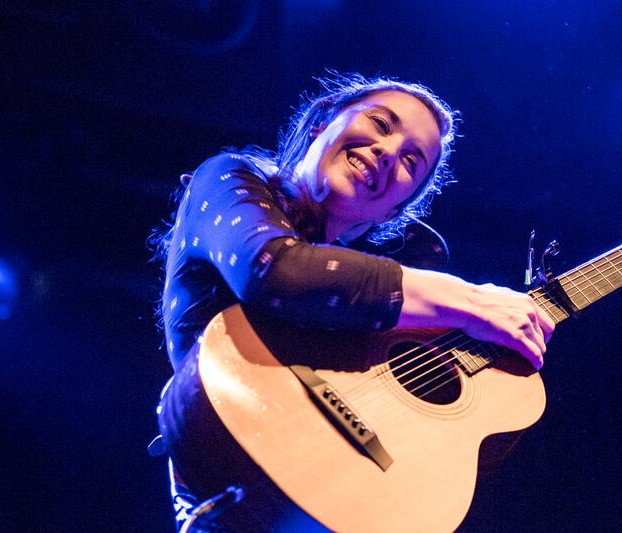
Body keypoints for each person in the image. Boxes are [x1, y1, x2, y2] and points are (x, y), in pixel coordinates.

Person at [152, 73, 555, 531]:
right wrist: (473, 301)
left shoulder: (369, 303)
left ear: (393, 211)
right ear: (321, 123)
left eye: (411, 161)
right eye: (381, 124)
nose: (388, 151)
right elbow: (274, 271)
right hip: (231, 484)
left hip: (342, 499)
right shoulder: (229, 177)